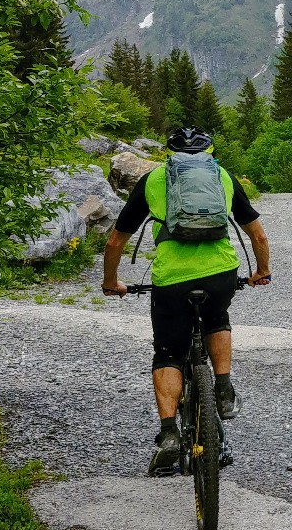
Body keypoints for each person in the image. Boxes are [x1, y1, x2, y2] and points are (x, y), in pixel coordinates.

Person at [102, 126, 271, 475]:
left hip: (172, 282)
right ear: (209, 153)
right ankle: (223, 390)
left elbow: (115, 242)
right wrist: (261, 272)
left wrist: (111, 282)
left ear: (169, 152)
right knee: (217, 318)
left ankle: (168, 434)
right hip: (220, 273)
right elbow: (258, 233)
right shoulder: (222, 176)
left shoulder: (153, 180)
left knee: (168, 352)